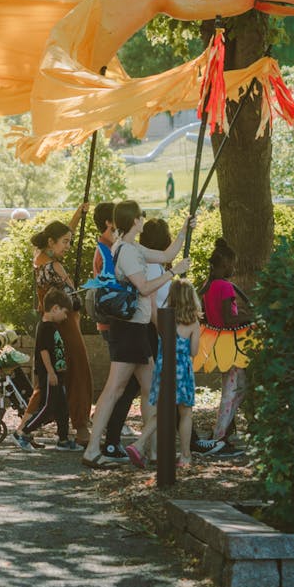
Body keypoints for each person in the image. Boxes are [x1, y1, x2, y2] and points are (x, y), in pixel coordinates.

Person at [84, 200, 187, 468]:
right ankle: (100, 449)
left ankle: (146, 449)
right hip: (130, 330)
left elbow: (165, 255)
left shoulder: (129, 247)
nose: (143, 219)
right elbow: (143, 288)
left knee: (148, 390)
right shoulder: (128, 252)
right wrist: (174, 274)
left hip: (134, 330)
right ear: (134, 221)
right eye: (141, 216)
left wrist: (185, 230)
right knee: (118, 389)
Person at [30, 214, 91, 449]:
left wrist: (78, 212)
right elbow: (72, 299)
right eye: (65, 242)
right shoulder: (54, 266)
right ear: (52, 242)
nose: (68, 246)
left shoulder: (40, 257)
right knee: (79, 372)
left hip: (52, 323)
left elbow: (65, 231)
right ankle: (81, 425)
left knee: (52, 380)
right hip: (66, 324)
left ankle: (27, 424)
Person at [88, 201, 138, 464]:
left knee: (125, 385)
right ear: (110, 224)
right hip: (115, 323)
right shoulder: (105, 251)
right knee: (122, 385)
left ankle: (111, 435)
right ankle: (111, 436)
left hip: (115, 323)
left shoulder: (108, 248)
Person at [196, 237, 247, 455]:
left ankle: (223, 431)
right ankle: (220, 437)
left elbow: (209, 317)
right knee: (234, 390)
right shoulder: (225, 286)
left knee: (233, 387)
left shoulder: (207, 286)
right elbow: (229, 318)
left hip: (217, 342)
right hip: (232, 343)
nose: (234, 269)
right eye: (232, 265)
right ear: (225, 265)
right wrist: (250, 317)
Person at [147, 276, 202, 469]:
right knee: (185, 413)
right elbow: (194, 352)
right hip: (182, 370)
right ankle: (185, 455)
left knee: (163, 410)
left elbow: (153, 316)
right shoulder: (193, 322)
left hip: (163, 368)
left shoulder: (164, 318)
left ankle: (143, 445)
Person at [18, 290, 75, 451]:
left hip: (58, 374)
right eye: (65, 313)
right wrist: (50, 372)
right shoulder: (45, 327)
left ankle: (63, 439)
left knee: (63, 409)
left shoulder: (53, 326)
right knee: (48, 407)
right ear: (55, 308)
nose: (65, 317)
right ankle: (24, 432)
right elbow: (43, 351)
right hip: (51, 375)